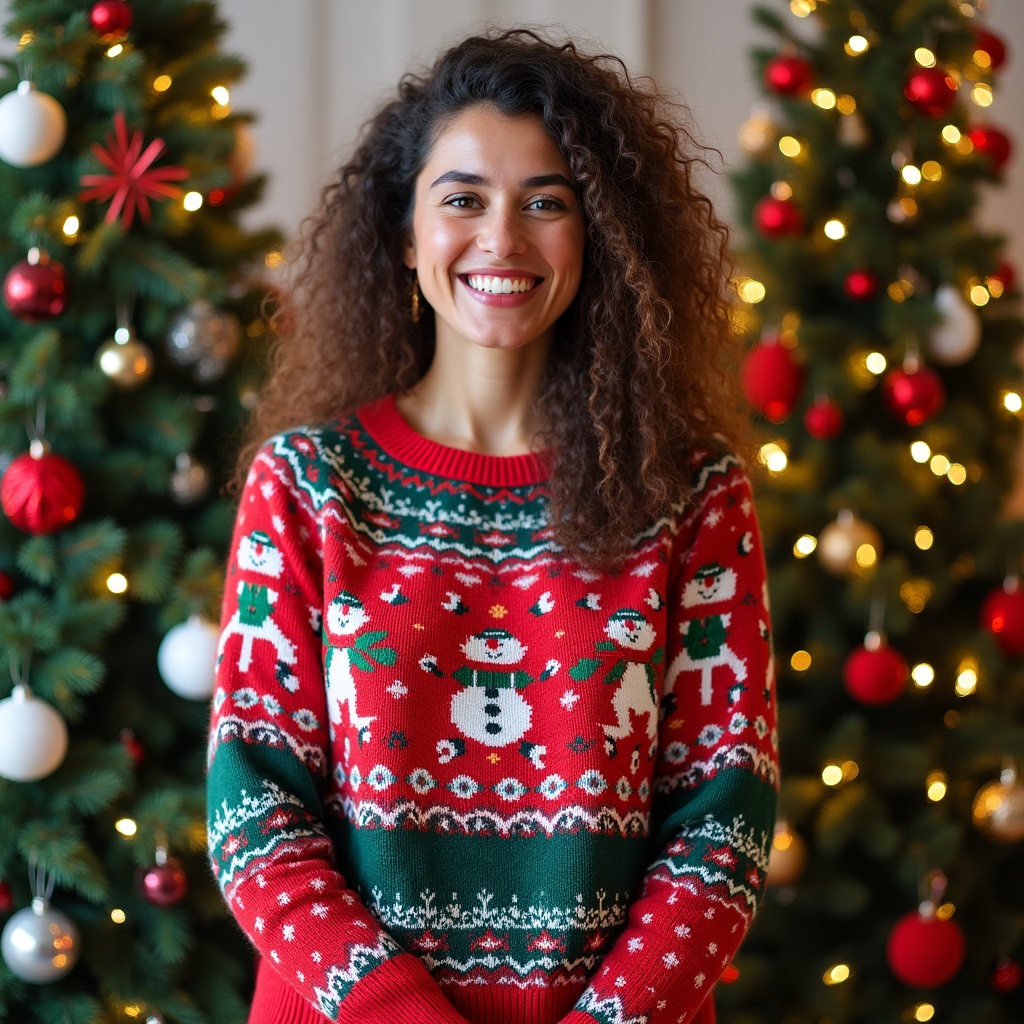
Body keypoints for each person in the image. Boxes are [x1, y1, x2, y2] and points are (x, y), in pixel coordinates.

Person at [207, 28, 778, 1024]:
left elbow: (719, 824)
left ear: (597, 234)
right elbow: (257, 814)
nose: (501, 240)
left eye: (546, 203)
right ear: (403, 232)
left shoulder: (692, 495)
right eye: (462, 198)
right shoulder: (307, 485)